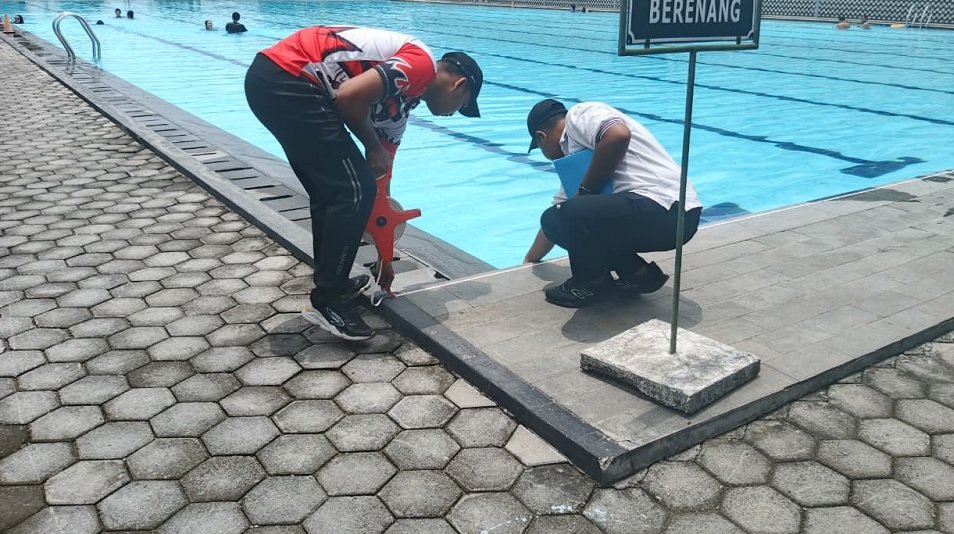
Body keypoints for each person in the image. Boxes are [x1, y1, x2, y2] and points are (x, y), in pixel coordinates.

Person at [244, 25, 484, 340]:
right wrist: (371, 146)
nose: (456, 113)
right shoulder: (421, 64)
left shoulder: (399, 107)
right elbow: (348, 96)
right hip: (287, 77)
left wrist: (385, 257)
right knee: (351, 192)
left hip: (277, 80)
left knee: (338, 193)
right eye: (463, 105)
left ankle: (333, 285)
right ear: (458, 84)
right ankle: (328, 300)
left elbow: (382, 184)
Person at [523, 99, 702, 308]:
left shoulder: (579, 116)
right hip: (674, 218)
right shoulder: (580, 161)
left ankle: (591, 284)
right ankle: (638, 274)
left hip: (667, 206)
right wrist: (529, 260)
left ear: (541, 137)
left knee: (570, 213)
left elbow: (618, 134)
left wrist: (585, 192)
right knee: (559, 217)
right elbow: (555, 221)